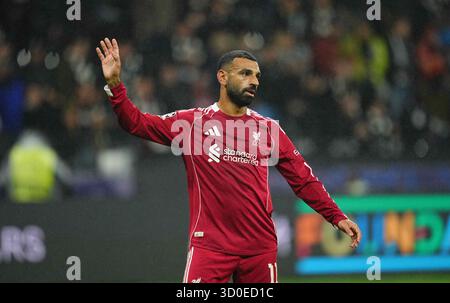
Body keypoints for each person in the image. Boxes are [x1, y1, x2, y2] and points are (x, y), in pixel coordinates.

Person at [96, 38, 362, 283]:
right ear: (222, 77)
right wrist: (116, 85)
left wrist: (336, 216)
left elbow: (303, 179)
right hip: (210, 248)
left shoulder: (269, 129)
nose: (254, 81)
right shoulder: (192, 124)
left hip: (259, 250)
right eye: (245, 73)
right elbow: (136, 123)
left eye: (257, 75)